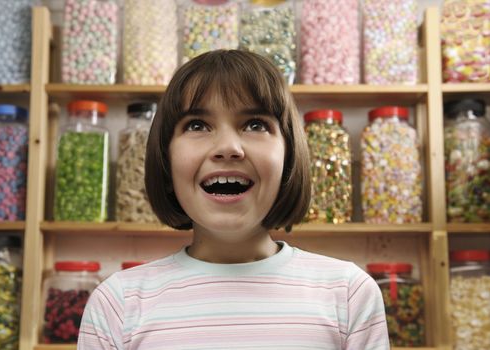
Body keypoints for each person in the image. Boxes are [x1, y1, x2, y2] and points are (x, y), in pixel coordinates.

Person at [78, 49, 389, 350]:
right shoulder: (117, 303)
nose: (228, 147)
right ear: (165, 158)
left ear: (290, 157)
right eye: (197, 125)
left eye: (255, 124)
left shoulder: (349, 294)